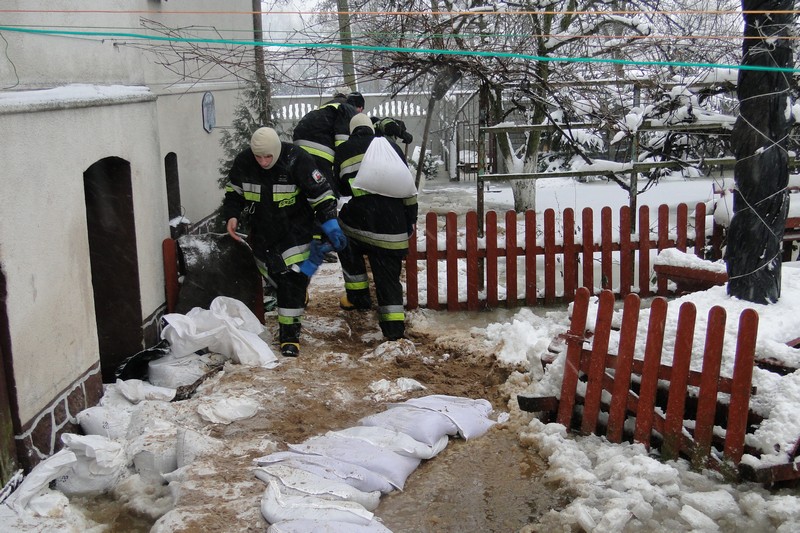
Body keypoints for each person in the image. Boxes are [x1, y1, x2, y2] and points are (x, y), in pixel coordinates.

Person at [222, 127, 347, 357]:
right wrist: (232, 215)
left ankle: (290, 338)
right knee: (278, 279)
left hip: (294, 231)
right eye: (258, 157)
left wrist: (330, 223)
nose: (263, 162)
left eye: (268, 156)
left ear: (277, 151)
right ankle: (299, 294)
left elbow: (321, 195)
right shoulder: (244, 162)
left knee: (290, 280)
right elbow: (234, 193)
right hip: (263, 233)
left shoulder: (297, 159)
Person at [333, 114, 418, 340]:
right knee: (388, 281)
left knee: (341, 234)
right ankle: (394, 332)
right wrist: (409, 220)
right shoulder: (390, 147)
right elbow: (408, 189)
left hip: (360, 224)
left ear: (352, 131)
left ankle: (359, 297)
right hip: (393, 228)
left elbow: (341, 189)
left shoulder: (343, 150)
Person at [293, 88, 365, 195]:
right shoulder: (348, 109)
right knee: (327, 188)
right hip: (319, 146)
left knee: (308, 181)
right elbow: (342, 141)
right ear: (360, 108)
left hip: (300, 141)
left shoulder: (328, 106)